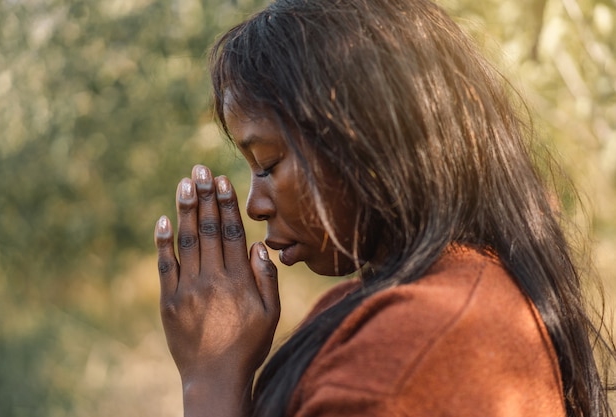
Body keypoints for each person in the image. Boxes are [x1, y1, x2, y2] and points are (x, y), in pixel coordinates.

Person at [153, 0, 615, 416]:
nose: (254, 205)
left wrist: (209, 379)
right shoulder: (436, 297)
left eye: (269, 162)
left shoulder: (408, 362)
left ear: (364, 138)